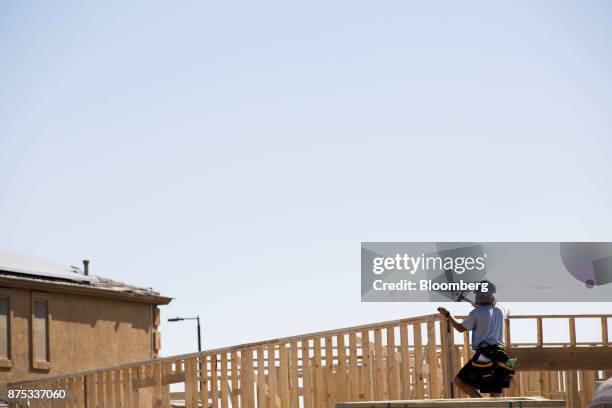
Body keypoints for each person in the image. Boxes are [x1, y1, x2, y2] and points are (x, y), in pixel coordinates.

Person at [438, 290, 514, 398]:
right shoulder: (501, 309)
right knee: (495, 394)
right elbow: (506, 312)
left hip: (485, 355)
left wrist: (448, 315)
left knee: (459, 381)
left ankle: (482, 404)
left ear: (479, 298)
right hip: (501, 355)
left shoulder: (475, 313)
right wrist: (486, 307)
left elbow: (460, 328)